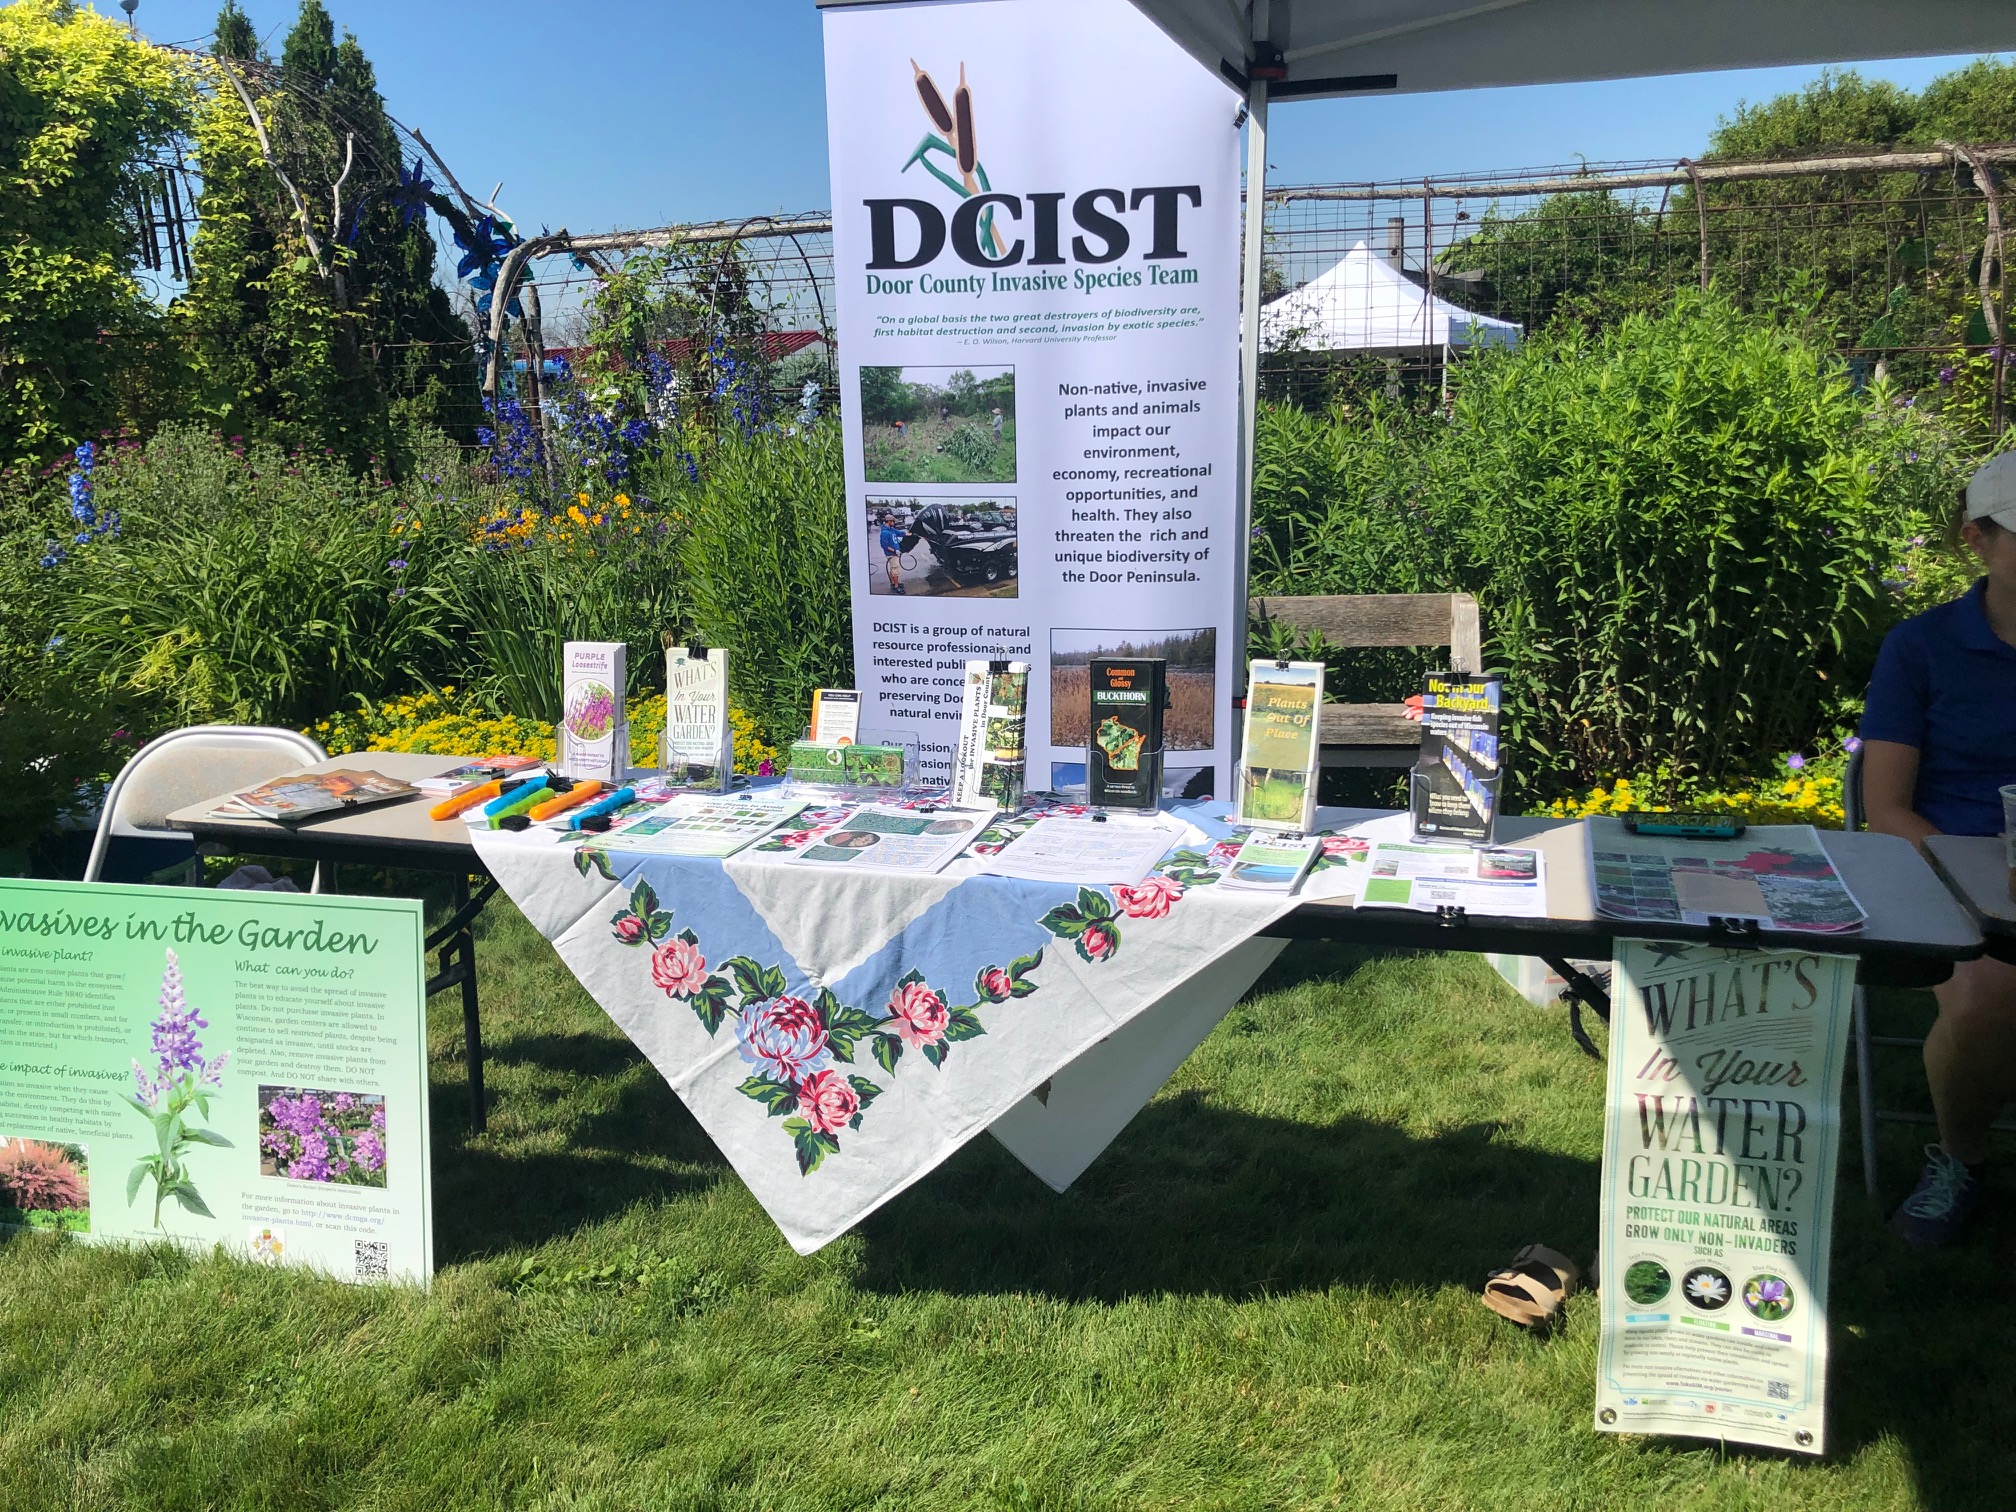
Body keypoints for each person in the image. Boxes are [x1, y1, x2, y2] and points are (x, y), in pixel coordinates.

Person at [1860, 450, 2016, 1247]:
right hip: (1952, 876)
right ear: (1978, 539)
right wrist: (1981, 880)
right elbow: (1884, 808)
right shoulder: (1922, 648)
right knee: (1992, 994)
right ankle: (1961, 1157)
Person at [877, 512, 906, 594]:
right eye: (893, 521)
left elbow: (900, 533)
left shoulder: (891, 529)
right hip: (891, 555)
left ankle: (894, 583)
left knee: (892, 569)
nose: (894, 522)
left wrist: (911, 534)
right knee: (895, 570)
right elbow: (884, 545)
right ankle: (896, 587)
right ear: (889, 521)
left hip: (894, 554)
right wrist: (894, 550)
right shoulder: (885, 533)